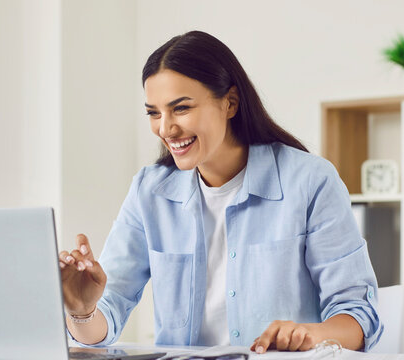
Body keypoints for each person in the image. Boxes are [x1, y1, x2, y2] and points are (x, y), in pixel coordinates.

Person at [58, 30, 383, 353]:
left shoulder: (310, 181)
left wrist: (309, 335)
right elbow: (103, 325)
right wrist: (82, 310)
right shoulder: (149, 191)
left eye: (181, 108)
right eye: (154, 113)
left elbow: (359, 317)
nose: (165, 128)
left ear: (230, 103)